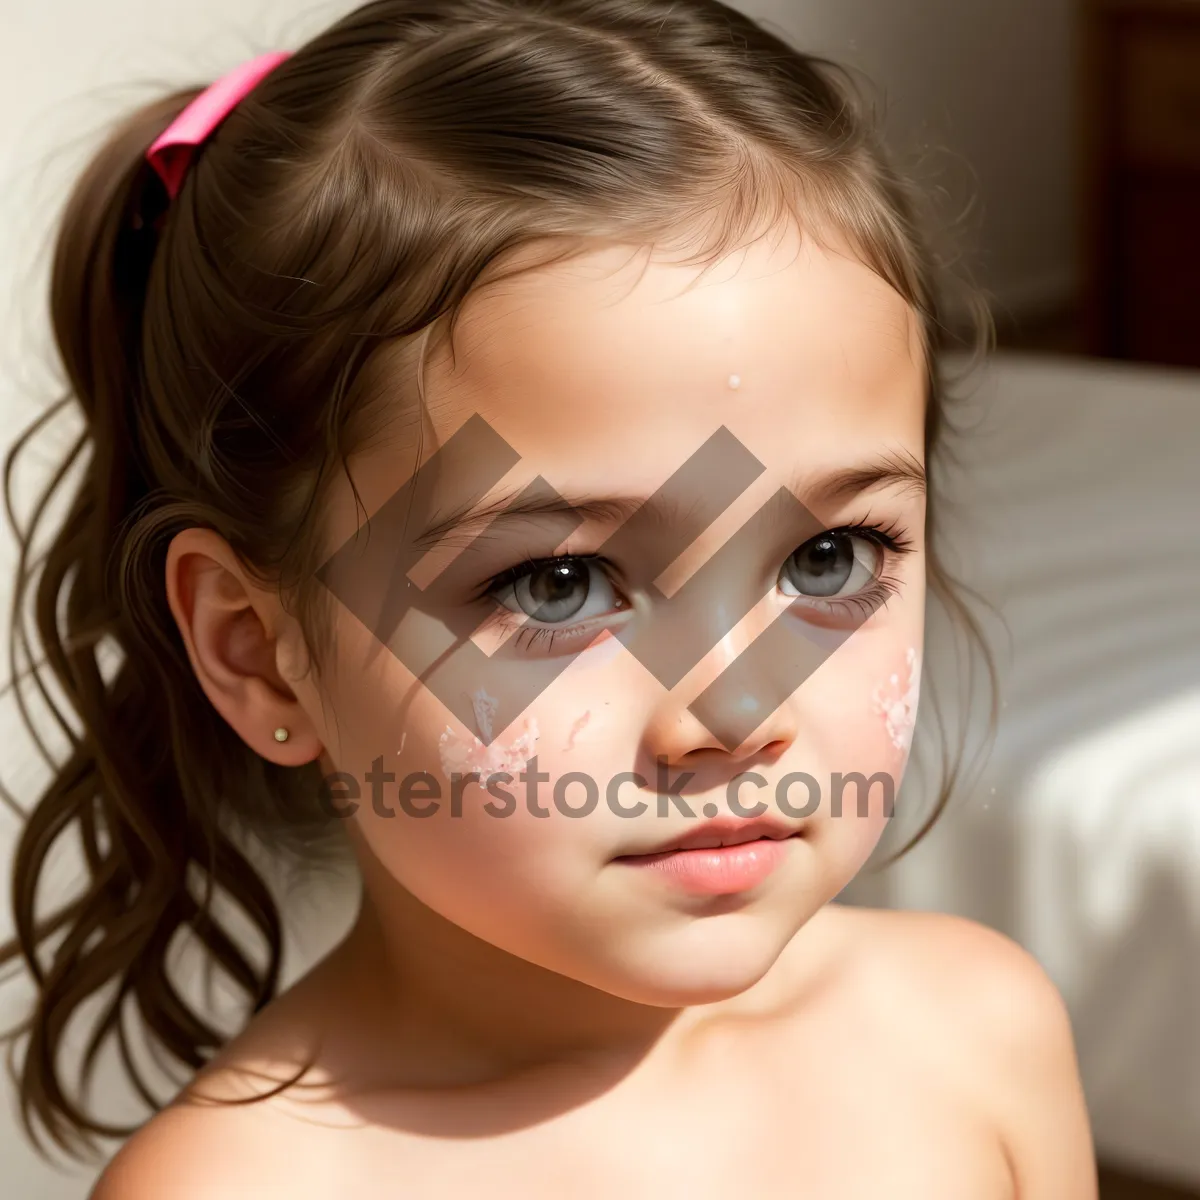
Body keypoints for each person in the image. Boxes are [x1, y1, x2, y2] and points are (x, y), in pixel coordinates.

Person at [0, 1, 1097, 1195]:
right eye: (559, 584)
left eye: (826, 560)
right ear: (261, 650)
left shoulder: (977, 1034)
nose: (734, 712)